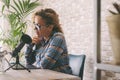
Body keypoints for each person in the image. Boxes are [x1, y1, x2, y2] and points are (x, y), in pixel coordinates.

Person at [25, 8, 72, 74]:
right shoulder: (42, 40)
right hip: (46, 76)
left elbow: (44, 66)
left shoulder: (58, 38)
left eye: (38, 26)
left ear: (50, 27)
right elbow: (29, 62)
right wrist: (30, 45)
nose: (35, 28)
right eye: (34, 24)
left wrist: (33, 66)